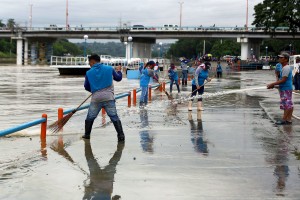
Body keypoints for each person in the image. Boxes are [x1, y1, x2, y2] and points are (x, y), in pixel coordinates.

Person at [83, 54, 125, 141]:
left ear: (92, 61)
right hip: (108, 97)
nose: (89, 65)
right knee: (114, 116)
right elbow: (118, 78)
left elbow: (86, 87)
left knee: (90, 117)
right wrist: (119, 71)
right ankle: (121, 136)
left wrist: (94, 90)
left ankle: (87, 135)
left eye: (89, 63)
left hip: (96, 98)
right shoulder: (109, 69)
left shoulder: (88, 72)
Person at [267, 52, 293, 125]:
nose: (280, 59)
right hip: (285, 88)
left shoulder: (286, 68)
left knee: (287, 104)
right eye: (280, 57)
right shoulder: (284, 67)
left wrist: (272, 84)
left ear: (286, 59)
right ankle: (289, 119)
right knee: (289, 104)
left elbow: (283, 80)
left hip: (286, 88)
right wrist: (274, 86)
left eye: (282, 58)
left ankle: (284, 120)